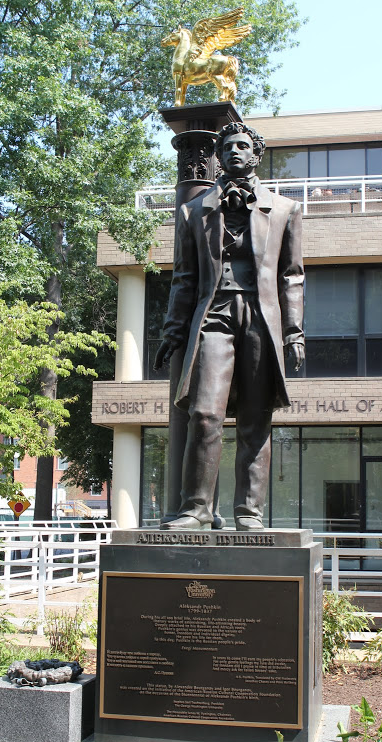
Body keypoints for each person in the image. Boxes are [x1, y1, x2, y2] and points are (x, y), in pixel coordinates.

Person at [154, 121, 304, 531]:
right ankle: (197, 508)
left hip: (260, 316)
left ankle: (249, 513)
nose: (235, 151)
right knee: (204, 413)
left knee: (256, 418)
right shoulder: (193, 210)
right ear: (218, 156)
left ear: (256, 154)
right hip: (214, 314)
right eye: (228, 147)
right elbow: (184, 277)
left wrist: (294, 331)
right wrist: (173, 330)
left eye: (242, 146)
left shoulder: (286, 210)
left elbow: (292, 276)